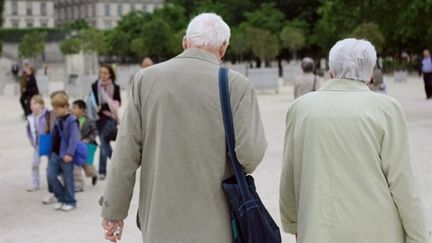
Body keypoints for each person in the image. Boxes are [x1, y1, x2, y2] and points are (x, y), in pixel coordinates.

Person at [100, 13, 267, 243]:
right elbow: (249, 156)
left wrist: (113, 212)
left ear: (184, 42)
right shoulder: (237, 86)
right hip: (216, 223)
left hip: (160, 221)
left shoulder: (144, 80)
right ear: (224, 47)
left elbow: (125, 154)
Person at [280, 38, 429, 243]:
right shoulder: (386, 108)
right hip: (379, 231)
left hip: (318, 228)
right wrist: (419, 237)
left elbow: (291, 173)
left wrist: (293, 222)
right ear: (370, 74)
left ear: (331, 70)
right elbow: (404, 181)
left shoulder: (300, 108)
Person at [47, 91, 80, 211]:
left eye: (57, 108)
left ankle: (71, 201)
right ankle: (61, 198)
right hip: (55, 154)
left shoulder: (72, 120)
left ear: (65, 106)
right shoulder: (56, 118)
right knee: (51, 176)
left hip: (66, 154)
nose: (55, 110)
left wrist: (70, 153)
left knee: (68, 179)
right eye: (54, 108)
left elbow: (73, 139)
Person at [90, 64, 121, 180]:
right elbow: (92, 101)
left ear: (110, 74)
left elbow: (118, 103)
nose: (102, 75)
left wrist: (105, 104)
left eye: (105, 73)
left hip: (109, 118)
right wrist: (102, 106)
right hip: (97, 119)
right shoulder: (94, 86)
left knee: (103, 142)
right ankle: (114, 165)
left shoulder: (115, 87)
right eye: (101, 73)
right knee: (104, 143)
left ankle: (105, 170)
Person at [71, 99, 98, 192]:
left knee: (87, 166)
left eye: (75, 108)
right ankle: (79, 185)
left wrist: (88, 139)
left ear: (82, 110)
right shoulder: (71, 120)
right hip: (75, 147)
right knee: (76, 166)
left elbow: (94, 132)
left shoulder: (89, 120)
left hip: (85, 146)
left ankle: (94, 174)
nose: (72, 110)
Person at [25, 95, 50, 192]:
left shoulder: (47, 114)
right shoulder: (30, 117)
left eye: (35, 103)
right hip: (37, 144)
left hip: (47, 143)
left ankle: (58, 182)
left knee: (52, 164)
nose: (32, 106)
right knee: (34, 164)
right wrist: (31, 140)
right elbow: (28, 129)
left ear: (42, 105)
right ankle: (35, 183)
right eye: (31, 104)